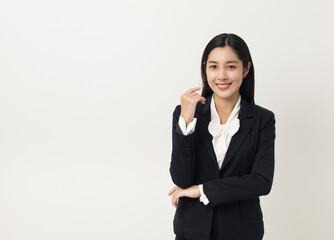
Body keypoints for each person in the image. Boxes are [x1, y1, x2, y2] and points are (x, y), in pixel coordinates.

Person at [168, 33, 276, 240]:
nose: (221, 76)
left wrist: (202, 190)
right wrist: (187, 122)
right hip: (192, 231)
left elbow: (261, 182)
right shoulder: (184, 113)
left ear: (246, 69)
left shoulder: (263, 119)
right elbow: (181, 178)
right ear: (205, 68)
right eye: (214, 66)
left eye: (231, 66)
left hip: (241, 231)